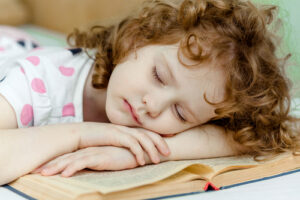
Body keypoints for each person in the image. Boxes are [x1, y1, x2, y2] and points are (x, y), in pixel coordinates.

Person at [0, 0, 299, 185]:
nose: (153, 106)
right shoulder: (40, 82)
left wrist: (139, 155)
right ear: (136, 38)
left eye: (181, 113)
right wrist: (81, 135)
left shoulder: (163, 111)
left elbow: (256, 136)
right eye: (159, 76)